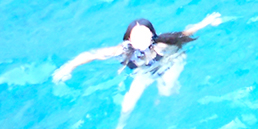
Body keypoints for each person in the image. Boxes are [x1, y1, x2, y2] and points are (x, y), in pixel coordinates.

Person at [53, 13, 222, 129]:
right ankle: (120, 126)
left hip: (171, 62)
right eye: (136, 36)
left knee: (166, 91)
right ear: (129, 39)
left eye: (145, 34)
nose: (140, 39)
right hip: (145, 72)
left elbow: (188, 32)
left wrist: (208, 21)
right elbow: (92, 54)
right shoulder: (123, 50)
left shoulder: (163, 43)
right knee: (128, 103)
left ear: (152, 35)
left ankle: (166, 95)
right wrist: (68, 67)